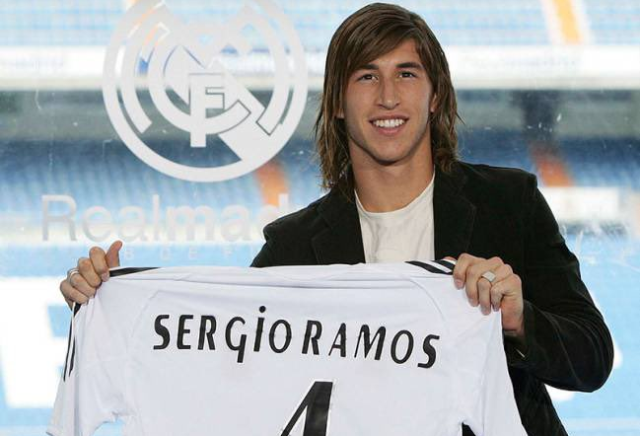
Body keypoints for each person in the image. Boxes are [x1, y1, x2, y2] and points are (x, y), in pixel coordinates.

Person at [59, 3, 613, 435]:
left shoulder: (509, 203)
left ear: (436, 95)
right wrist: (106, 308)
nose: (388, 96)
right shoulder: (293, 248)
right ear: (338, 103)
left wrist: (518, 319)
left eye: (407, 73)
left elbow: (592, 360)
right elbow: (225, 374)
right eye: (366, 77)